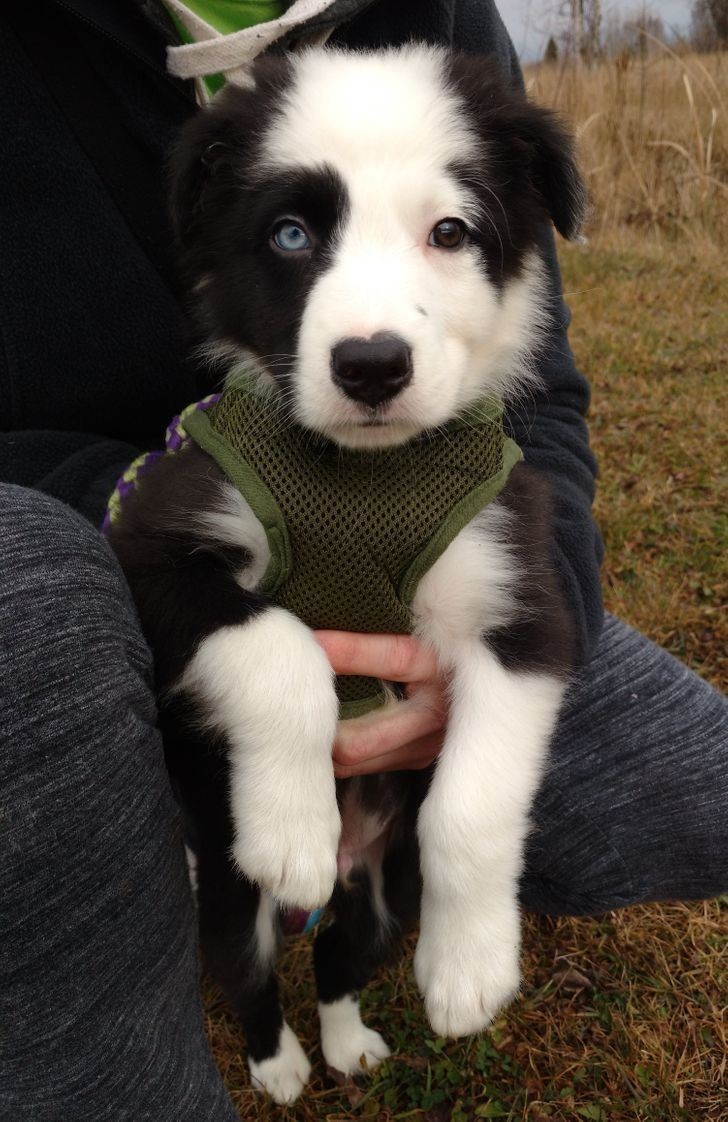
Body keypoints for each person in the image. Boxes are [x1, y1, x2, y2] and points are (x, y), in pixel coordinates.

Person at [1, 2, 725, 1119]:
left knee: (697, 787)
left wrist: (467, 799)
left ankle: (363, 932)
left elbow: (545, 427)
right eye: (297, 233)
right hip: (78, 588)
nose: (370, 330)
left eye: (445, 233)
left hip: (425, 639)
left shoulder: (445, 33)